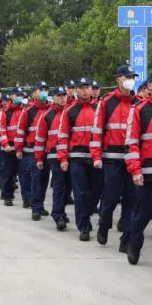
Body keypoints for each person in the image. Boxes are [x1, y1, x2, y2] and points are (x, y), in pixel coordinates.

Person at [125, 69, 152, 264]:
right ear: (149, 86)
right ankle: (134, 245)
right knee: (142, 215)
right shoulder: (139, 109)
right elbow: (132, 142)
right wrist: (135, 169)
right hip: (147, 173)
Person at [92, 66, 138, 248]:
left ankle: (126, 239)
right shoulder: (107, 102)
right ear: (118, 79)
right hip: (111, 158)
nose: (131, 79)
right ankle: (104, 225)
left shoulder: (138, 102)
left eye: (133, 77)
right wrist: (96, 156)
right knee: (110, 198)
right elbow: (97, 131)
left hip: (132, 158)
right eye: (127, 76)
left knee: (131, 199)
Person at [57, 78, 99, 240]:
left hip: (96, 158)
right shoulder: (69, 111)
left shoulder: (98, 109)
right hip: (76, 158)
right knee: (80, 192)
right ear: (76, 91)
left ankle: (86, 215)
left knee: (95, 191)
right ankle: (83, 226)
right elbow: (63, 136)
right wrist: (63, 159)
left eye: (88, 87)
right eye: (82, 88)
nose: (85, 90)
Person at [34, 87, 70, 230]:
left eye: (64, 95)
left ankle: (61, 210)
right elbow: (40, 139)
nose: (62, 98)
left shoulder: (71, 111)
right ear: (53, 97)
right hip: (55, 156)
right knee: (59, 186)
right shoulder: (47, 116)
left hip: (71, 155)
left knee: (69, 187)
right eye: (59, 96)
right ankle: (58, 215)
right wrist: (39, 158)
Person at [16, 84, 50, 213]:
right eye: (40, 90)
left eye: (46, 90)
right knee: (36, 178)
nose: (44, 92)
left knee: (44, 180)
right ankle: (35, 207)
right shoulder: (28, 111)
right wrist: (19, 149)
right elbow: (20, 131)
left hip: (47, 150)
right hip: (31, 151)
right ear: (34, 94)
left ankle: (39, 205)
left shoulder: (51, 109)